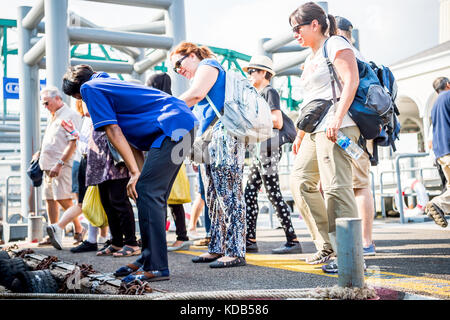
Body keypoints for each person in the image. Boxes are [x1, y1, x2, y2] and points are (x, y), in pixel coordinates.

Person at [62, 64, 197, 282]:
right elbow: (131, 140)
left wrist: (135, 174)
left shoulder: (90, 88)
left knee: (148, 191)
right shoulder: (106, 82)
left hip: (172, 126)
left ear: (78, 91)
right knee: (148, 192)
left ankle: (157, 267)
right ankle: (148, 258)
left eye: (78, 97)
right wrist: (138, 174)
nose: (82, 102)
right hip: (178, 126)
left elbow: (113, 131)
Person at [288, 2, 362, 273]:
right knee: (300, 181)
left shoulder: (335, 44)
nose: (295, 34)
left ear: (315, 25)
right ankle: (327, 246)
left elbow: (350, 80)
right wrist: (300, 133)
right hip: (314, 127)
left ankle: (349, 256)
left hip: (338, 123)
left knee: (336, 188)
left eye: (297, 28)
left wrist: (338, 118)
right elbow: (310, 100)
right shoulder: (311, 56)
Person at [170, 42, 247, 268]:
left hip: (224, 133)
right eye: (174, 69)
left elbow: (196, 95)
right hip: (208, 139)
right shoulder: (199, 73)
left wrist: (165, 108)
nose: (178, 70)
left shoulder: (208, 65)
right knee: (212, 195)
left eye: (179, 63)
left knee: (229, 193)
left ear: (192, 54)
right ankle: (217, 245)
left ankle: (235, 250)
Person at [242, 55, 302, 254]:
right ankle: (250, 239)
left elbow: (277, 121)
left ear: (264, 73)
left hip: (269, 148)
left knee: (273, 193)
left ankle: (292, 240)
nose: (249, 75)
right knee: (249, 192)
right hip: (263, 148)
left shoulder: (269, 91)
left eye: (253, 71)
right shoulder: (258, 95)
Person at [335, 16, 376, 255]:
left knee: (359, 185)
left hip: (352, 125)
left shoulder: (345, 51)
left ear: (340, 32)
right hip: (361, 125)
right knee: (357, 184)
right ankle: (363, 240)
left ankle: (365, 242)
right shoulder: (359, 54)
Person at [46, 100, 109, 252]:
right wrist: (75, 134)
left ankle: (98, 238)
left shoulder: (88, 118)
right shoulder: (89, 118)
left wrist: (75, 134)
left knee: (91, 201)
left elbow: (89, 141)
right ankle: (99, 238)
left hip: (86, 160)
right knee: (94, 200)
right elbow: (90, 141)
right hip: (88, 160)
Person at [146, 72, 191, 252]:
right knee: (169, 200)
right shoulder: (173, 103)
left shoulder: (164, 105)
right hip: (172, 156)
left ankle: (178, 237)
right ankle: (174, 237)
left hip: (167, 155)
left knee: (168, 199)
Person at [34, 86, 83, 246]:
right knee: (49, 199)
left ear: (58, 99)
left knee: (63, 198)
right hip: (48, 165)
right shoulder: (54, 116)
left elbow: (73, 142)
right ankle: (53, 232)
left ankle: (78, 229)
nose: (45, 106)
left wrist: (60, 163)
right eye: (44, 104)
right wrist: (40, 153)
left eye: (46, 103)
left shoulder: (70, 115)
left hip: (61, 165)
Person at [425, 77, 450, 228]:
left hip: (441, 153)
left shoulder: (435, 105)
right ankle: (438, 203)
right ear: (448, 85)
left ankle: (438, 205)